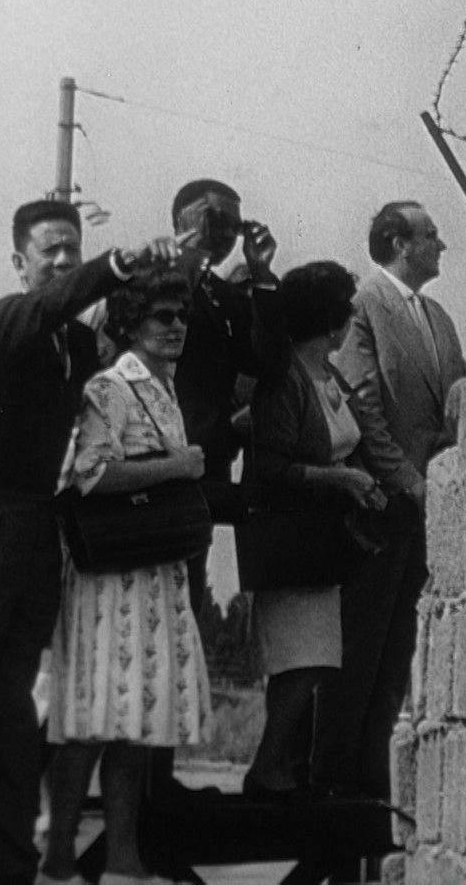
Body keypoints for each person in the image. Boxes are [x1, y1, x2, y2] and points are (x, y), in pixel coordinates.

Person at [0, 200, 180, 885]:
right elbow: (58, 303)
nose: (62, 260)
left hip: (32, 529)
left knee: (14, 721)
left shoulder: (82, 348)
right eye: (50, 251)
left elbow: (140, 326)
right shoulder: (4, 322)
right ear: (19, 263)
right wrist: (114, 265)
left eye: (73, 248)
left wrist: (183, 261)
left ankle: (10, 868)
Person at [38, 267, 211, 885]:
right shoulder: (112, 387)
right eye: (163, 317)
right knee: (90, 719)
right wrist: (175, 467)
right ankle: (58, 853)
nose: (176, 327)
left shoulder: (163, 388)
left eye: (182, 316)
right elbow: (89, 475)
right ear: (132, 324)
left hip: (152, 575)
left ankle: (121, 856)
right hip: (110, 577)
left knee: (133, 725)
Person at [315, 202, 466, 814]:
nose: (442, 244)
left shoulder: (439, 317)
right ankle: (332, 774)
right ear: (400, 244)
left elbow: (458, 398)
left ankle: (371, 774)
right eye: (431, 235)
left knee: (401, 645)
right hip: (383, 502)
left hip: (430, 500)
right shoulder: (364, 307)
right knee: (361, 643)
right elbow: (364, 402)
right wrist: (406, 480)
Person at [241, 261, 384, 802]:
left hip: (318, 545)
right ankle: (267, 769)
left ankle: (280, 768)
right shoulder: (285, 382)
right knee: (304, 662)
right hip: (289, 543)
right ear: (331, 323)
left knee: (308, 661)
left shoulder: (326, 379)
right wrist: (342, 478)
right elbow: (273, 468)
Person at [169, 179, 281, 609]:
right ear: (182, 218)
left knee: (186, 603)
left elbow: (270, 365)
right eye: (216, 219)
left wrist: (263, 275)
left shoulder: (225, 297)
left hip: (207, 468)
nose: (227, 233)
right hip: (152, 459)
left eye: (235, 224)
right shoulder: (151, 276)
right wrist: (188, 254)